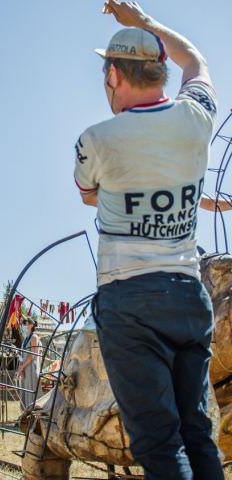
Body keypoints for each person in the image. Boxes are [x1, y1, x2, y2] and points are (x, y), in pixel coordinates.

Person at [74, 2, 223, 478]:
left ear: (114, 75)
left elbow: (88, 196)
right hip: (186, 293)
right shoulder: (196, 119)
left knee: (160, 443)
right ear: (160, 71)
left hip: (129, 298)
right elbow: (197, 60)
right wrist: (142, 22)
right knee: (198, 432)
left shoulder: (96, 140)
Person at [16, 316, 42, 411]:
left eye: (25, 323)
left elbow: (32, 355)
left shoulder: (34, 337)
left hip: (31, 368)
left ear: (31, 325)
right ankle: (25, 414)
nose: (24, 325)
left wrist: (22, 367)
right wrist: (20, 367)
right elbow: (22, 354)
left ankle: (34, 414)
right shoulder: (25, 339)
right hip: (25, 368)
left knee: (31, 392)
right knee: (25, 391)